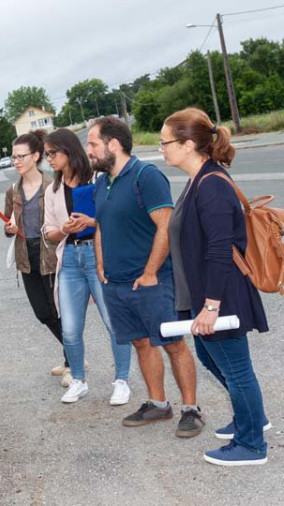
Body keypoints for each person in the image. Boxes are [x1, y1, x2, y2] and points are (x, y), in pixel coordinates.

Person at [163, 107, 270, 465]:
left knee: (237, 369)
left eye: (165, 143)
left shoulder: (210, 186)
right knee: (212, 358)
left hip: (221, 295)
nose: (161, 149)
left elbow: (220, 250)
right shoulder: (197, 181)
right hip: (204, 294)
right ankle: (250, 418)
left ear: (189, 144)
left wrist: (211, 306)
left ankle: (252, 443)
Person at [88, 116, 204, 438]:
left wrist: (151, 272)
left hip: (151, 282)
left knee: (172, 344)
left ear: (114, 144)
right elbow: (100, 224)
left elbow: (165, 227)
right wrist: (100, 264)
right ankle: (158, 403)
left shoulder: (145, 176)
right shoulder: (102, 182)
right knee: (141, 342)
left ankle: (191, 409)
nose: (89, 151)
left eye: (93, 143)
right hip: (116, 283)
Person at [42, 128, 132, 404]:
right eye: (46, 156)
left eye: (52, 154)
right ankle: (78, 380)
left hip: (98, 254)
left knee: (113, 322)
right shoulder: (52, 189)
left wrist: (91, 223)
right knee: (69, 328)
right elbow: (48, 233)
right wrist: (65, 229)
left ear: (68, 150)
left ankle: (122, 381)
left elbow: (115, 216)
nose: (50, 160)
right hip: (69, 257)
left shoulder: (99, 179)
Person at [3, 130, 67, 383]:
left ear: (36, 156)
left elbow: (62, 223)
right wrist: (9, 229)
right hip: (25, 254)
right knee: (42, 312)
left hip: (50, 253)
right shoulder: (12, 191)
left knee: (58, 310)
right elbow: (9, 225)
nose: (16, 161)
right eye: (13, 157)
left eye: (21, 156)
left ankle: (73, 361)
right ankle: (72, 353)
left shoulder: (53, 185)